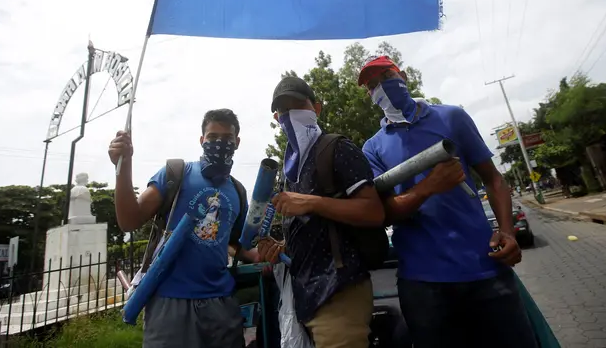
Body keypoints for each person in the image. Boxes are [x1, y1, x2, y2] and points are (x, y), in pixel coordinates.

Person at [358, 56, 538, 348]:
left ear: (401, 74)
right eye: (372, 85)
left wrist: (507, 231)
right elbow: (384, 213)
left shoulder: (452, 117)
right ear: (370, 96)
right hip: (423, 283)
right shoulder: (372, 147)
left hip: (486, 269)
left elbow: (494, 180)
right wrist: (429, 187)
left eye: (386, 76)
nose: (381, 86)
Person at [108, 109, 258, 348]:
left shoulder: (238, 191)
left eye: (227, 139)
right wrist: (122, 166)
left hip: (220, 304)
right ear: (202, 141)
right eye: (212, 137)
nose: (219, 143)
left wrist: (267, 256)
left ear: (237, 143)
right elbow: (129, 220)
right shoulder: (176, 173)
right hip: (169, 302)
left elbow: (234, 244)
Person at [258, 76, 385, 348]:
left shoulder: (337, 148)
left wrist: (312, 202)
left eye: (298, 105)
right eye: (283, 110)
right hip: (304, 298)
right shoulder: (290, 167)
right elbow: (310, 227)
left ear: (317, 108)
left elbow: (373, 212)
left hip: (339, 293)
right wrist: (281, 247)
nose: (290, 114)